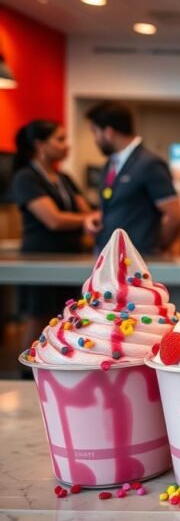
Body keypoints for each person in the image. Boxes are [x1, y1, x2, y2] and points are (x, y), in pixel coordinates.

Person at [11, 119, 100, 362]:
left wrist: (88, 217)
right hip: (40, 260)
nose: (66, 145)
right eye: (59, 139)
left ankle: (59, 365)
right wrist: (85, 219)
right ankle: (28, 372)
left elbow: (86, 210)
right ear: (40, 145)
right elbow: (53, 219)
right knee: (38, 318)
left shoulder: (64, 178)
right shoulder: (26, 178)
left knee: (67, 316)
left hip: (70, 260)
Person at [85, 101, 180, 255]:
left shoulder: (149, 164)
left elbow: (175, 216)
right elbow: (117, 206)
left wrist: (155, 248)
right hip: (108, 258)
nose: (95, 139)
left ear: (109, 132)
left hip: (137, 261)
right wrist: (95, 218)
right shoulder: (109, 165)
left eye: (95, 132)